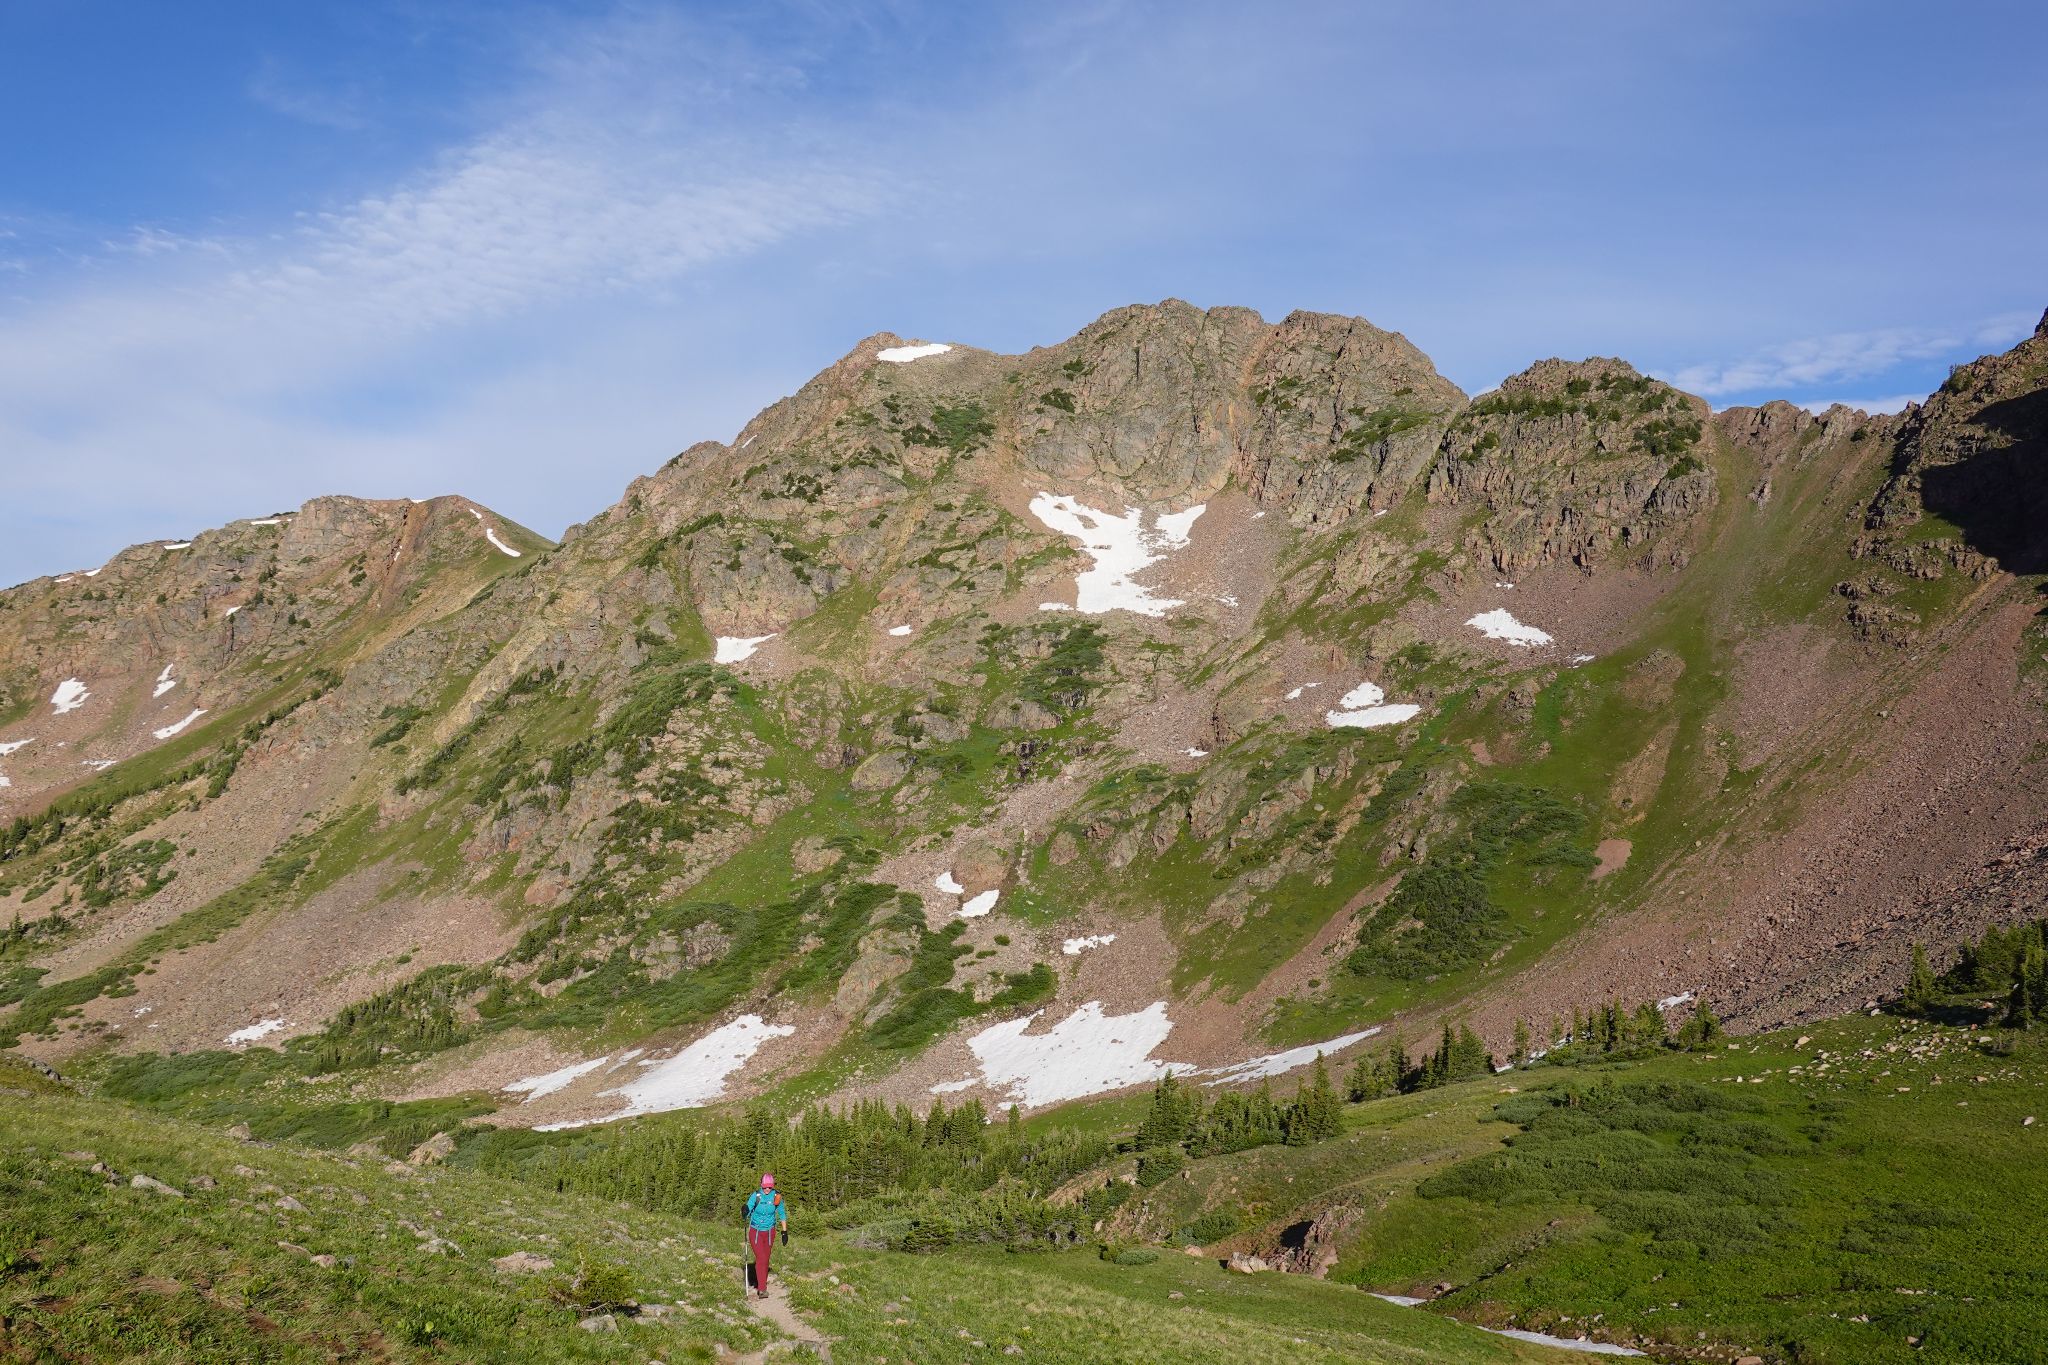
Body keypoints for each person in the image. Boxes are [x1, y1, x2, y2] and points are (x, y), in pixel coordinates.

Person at [744, 1174, 789, 1298]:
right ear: (761, 1186)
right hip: (755, 1231)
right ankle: (762, 1289)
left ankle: (761, 1282)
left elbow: (782, 1214)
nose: (767, 1189)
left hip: (770, 1232)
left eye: (769, 1187)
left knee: (766, 1258)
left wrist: (784, 1232)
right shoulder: (756, 1196)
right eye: (765, 1187)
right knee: (761, 1257)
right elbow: (748, 1208)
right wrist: (745, 1211)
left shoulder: (776, 1196)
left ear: (772, 1186)